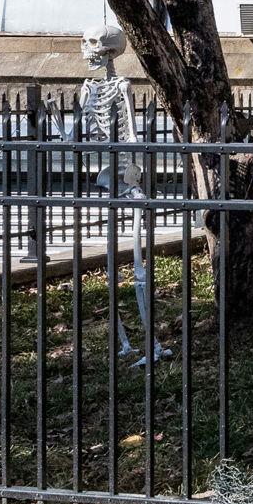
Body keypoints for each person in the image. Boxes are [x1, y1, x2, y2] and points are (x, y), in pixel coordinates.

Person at [74, 26, 166, 365]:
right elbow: (76, 135)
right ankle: (125, 342)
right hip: (105, 180)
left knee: (137, 269)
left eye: (95, 42)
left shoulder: (123, 87)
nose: (89, 50)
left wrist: (134, 167)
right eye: (85, 42)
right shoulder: (87, 88)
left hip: (129, 180)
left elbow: (131, 132)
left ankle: (152, 345)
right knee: (112, 268)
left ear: (111, 48)